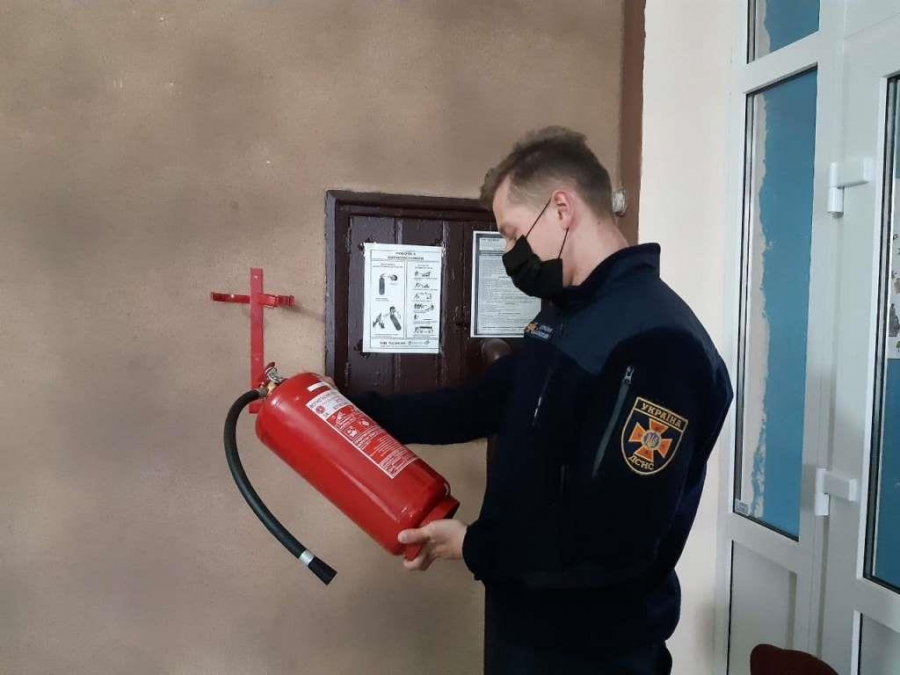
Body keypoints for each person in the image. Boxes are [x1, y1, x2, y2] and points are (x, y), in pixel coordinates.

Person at [344, 127, 734, 674]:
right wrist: (350, 413)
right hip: (526, 622)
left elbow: (615, 539)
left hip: (593, 651)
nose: (509, 253)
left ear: (562, 208)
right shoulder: (568, 313)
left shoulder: (658, 341)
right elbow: (482, 402)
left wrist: (474, 547)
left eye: (511, 233)